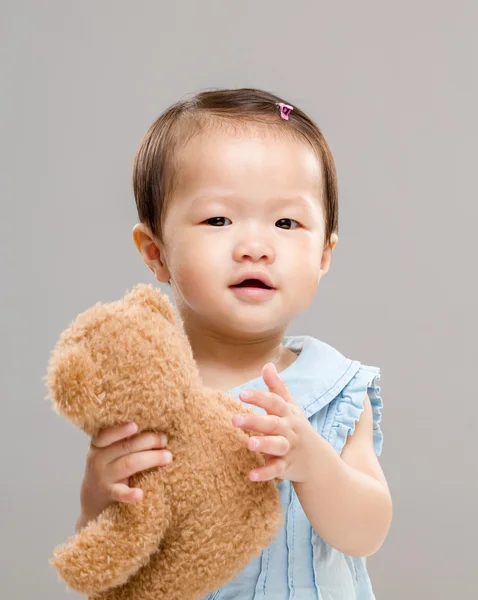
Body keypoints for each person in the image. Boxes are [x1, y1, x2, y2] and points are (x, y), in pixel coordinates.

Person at [75, 88, 392, 599]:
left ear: (324, 254)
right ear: (155, 252)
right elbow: (109, 559)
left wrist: (314, 465)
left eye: (286, 223)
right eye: (218, 220)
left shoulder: (335, 392)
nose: (255, 248)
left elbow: (367, 532)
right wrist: (97, 493)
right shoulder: (149, 399)